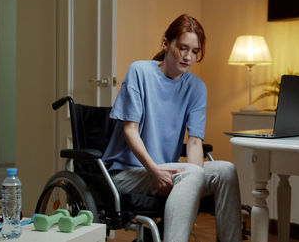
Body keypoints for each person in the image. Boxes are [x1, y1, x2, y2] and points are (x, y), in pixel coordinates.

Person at [103, 14, 242, 242]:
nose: (188, 57)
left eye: (195, 51)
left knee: (226, 170)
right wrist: (154, 171)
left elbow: (195, 142)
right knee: (189, 173)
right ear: (166, 44)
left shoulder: (197, 88)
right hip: (128, 172)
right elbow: (130, 130)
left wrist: (194, 178)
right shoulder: (140, 72)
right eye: (183, 48)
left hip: (169, 171)